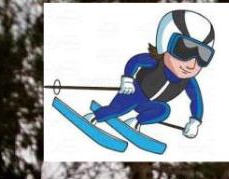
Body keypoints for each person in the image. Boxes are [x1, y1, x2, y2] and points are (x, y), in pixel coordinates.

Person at [84, 9, 213, 137]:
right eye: (184, 50)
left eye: (203, 56)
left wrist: (195, 121)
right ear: (165, 43)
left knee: (164, 110)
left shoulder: (188, 81)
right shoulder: (157, 62)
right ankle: (94, 116)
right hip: (134, 92)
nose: (191, 65)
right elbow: (136, 61)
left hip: (148, 104)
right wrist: (128, 78)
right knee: (118, 109)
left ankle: (135, 122)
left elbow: (196, 99)